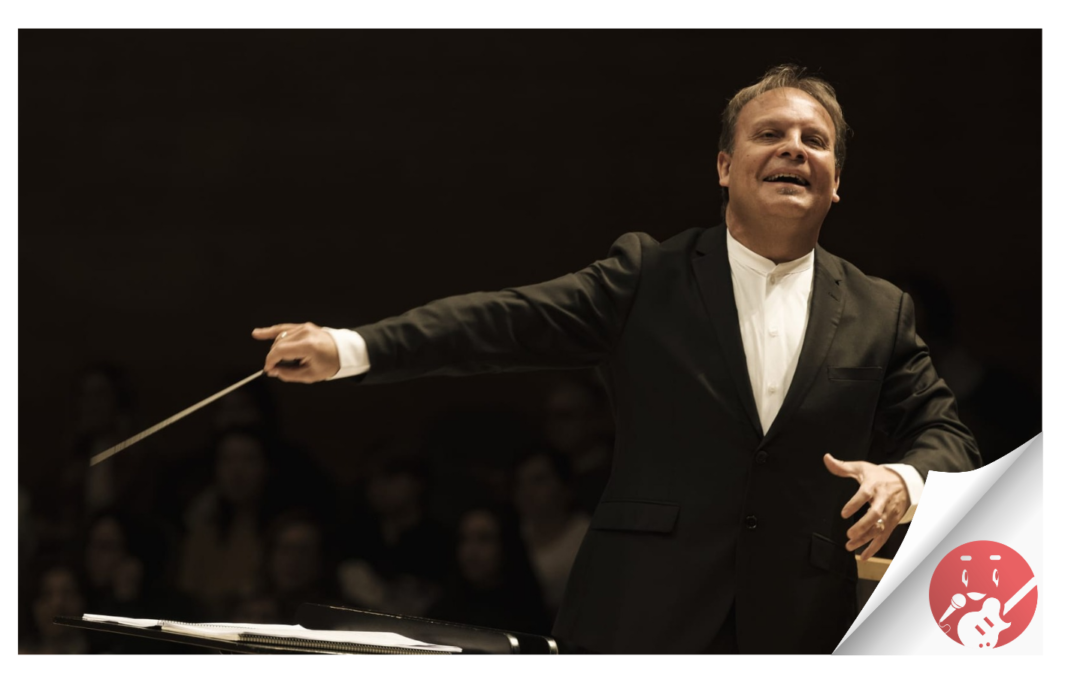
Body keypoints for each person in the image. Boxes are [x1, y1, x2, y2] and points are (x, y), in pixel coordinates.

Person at [250, 64, 981, 653]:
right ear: (725, 166)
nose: (795, 147)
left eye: (814, 140)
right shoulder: (648, 276)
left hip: (797, 629)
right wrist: (354, 346)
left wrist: (903, 478)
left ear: (837, 182)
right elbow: (506, 322)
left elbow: (948, 434)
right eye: (771, 133)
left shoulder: (881, 307)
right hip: (641, 617)